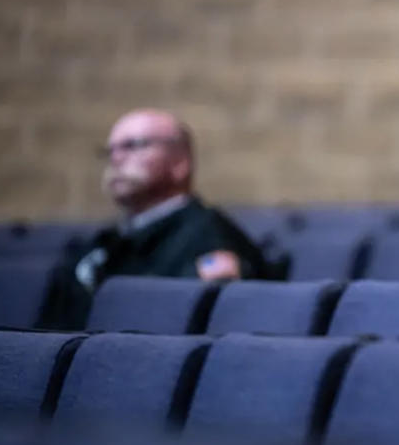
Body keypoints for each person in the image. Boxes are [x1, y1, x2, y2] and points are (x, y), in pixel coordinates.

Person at [53, 109, 272, 328]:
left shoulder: (209, 237)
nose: (116, 159)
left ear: (180, 164)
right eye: (110, 151)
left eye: (133, 146)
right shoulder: (104, 245)